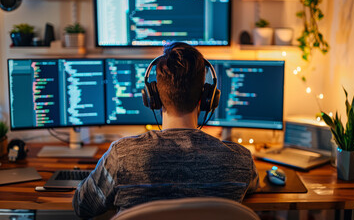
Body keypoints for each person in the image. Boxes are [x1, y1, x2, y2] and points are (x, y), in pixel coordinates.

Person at [73, 42, 259, 219]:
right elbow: (252, 187)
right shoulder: (240, 159)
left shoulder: (121, 156)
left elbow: (82, 206)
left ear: (153, 98)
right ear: (207, 99)